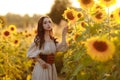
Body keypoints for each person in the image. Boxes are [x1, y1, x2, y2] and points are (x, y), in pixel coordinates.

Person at [27, 16, 68, 80]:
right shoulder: (39, 40)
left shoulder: (52, 39)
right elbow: (30, 53)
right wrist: (40, 61)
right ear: (41, 26)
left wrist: (63, 35)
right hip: (42, 68)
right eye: (45, 23)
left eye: (49, 22)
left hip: (51, 67)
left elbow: (61, 48)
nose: (48, 24)